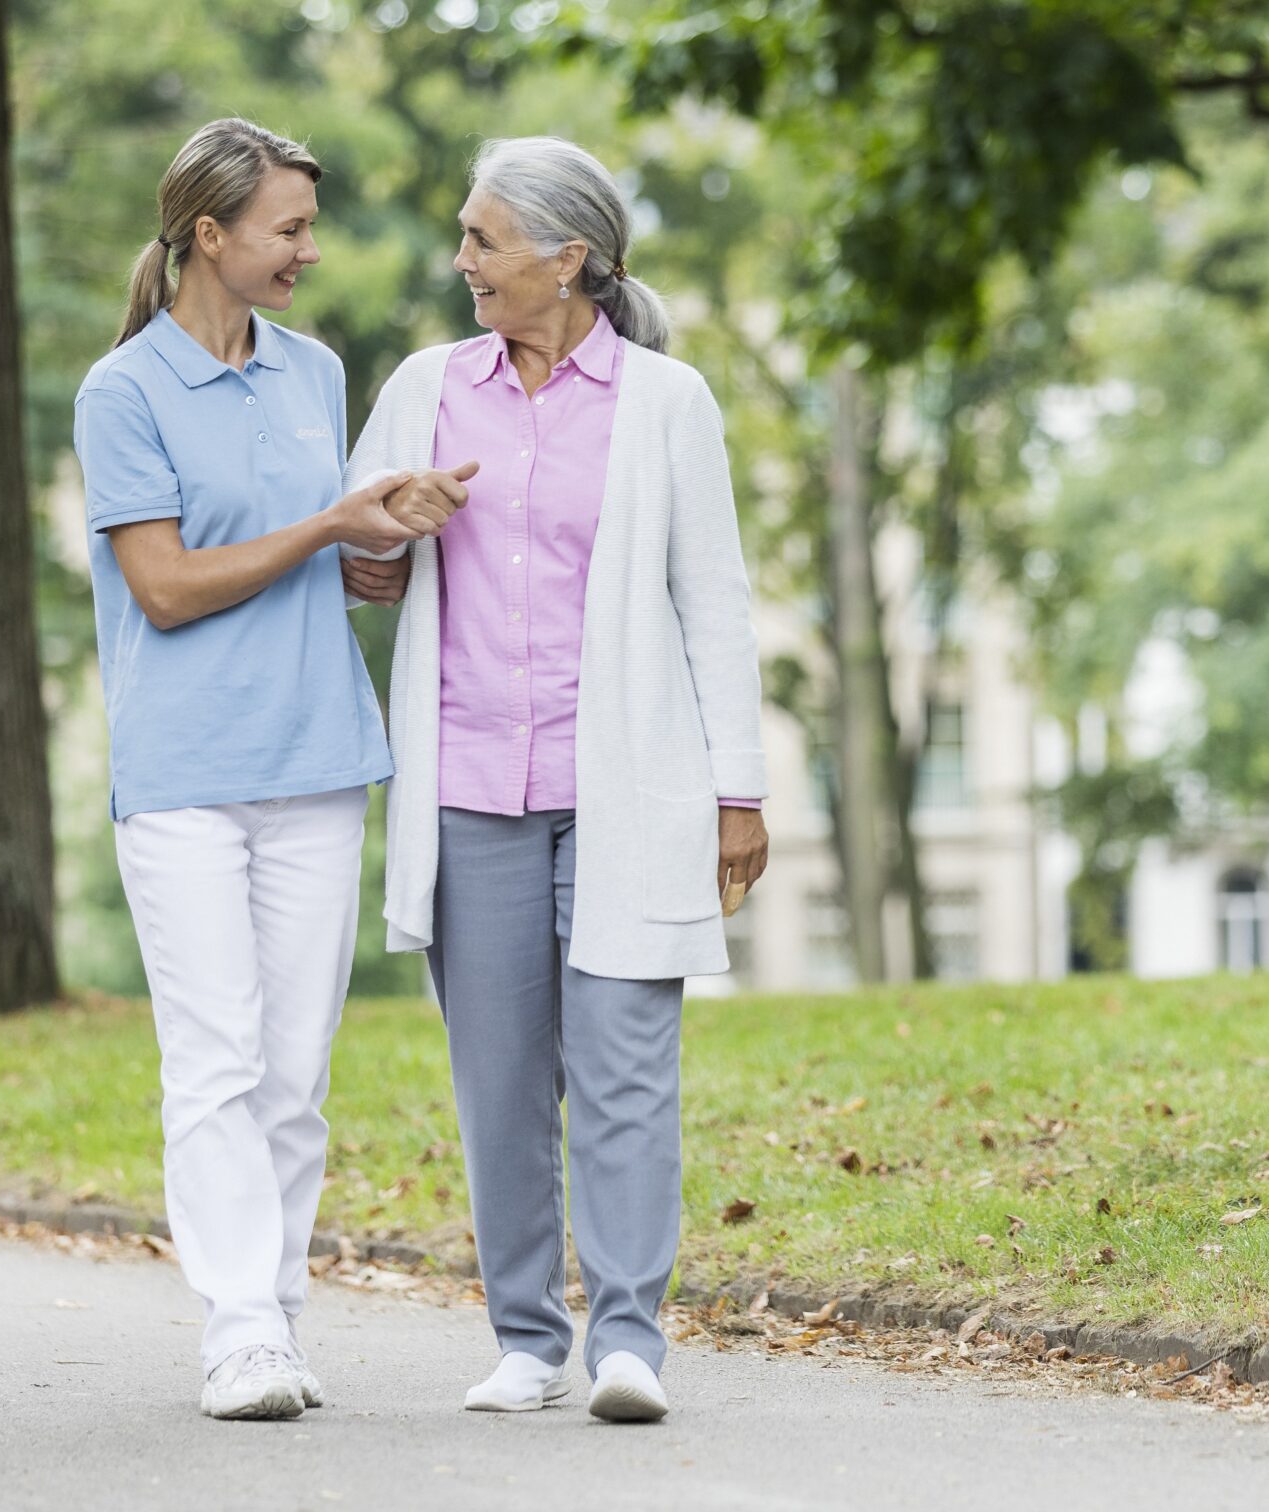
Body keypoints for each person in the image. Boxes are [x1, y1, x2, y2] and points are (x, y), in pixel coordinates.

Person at [344, 135, 771, 1423]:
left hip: (627, 784)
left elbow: (717, 605)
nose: (461, 260)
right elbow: (360, 566)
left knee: (627, 1061)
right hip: (469, 781)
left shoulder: (665, 402)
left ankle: (629, 1337)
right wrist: (384, 534)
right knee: (500, 1075)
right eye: (466, 237)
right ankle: (528, 1338)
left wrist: (737, 793)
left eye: (483, 238)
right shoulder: (426, 387)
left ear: (565, 256)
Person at [72, 117, 454, 1421]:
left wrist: (390, 535)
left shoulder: (314, 375)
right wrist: (326, 527)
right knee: (217, 1060)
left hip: (315, 754)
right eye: (287, 228)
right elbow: (166, 588)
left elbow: (341, 569)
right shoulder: (122, 392)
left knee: (296, 1072)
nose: (308, 249)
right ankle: (236, 1331)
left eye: (307, 224)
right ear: (208, 233)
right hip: (185, 770)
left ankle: (274, 1319)